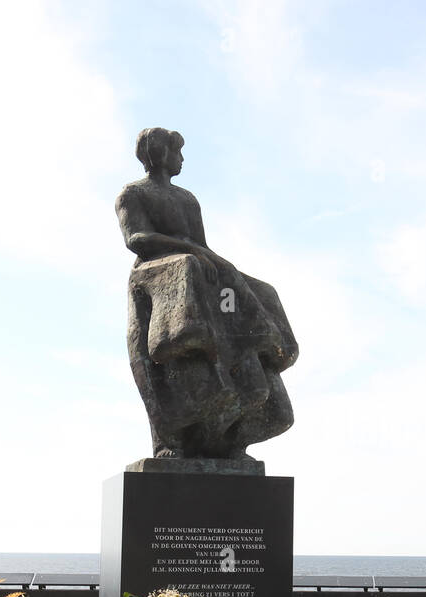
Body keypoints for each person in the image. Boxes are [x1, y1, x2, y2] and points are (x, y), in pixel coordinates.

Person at [115, 127, 297, 460]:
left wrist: (218, 264)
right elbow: (137, 239)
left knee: (260, 289)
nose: (182, 159)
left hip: (193, 267)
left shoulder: (187, 199)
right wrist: (188, 249)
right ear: (160, 155)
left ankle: (263, 345)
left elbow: (203, 246)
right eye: (177, 152)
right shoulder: (132, 193)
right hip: (156, 271)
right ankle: (185, 335)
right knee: (188, 265)